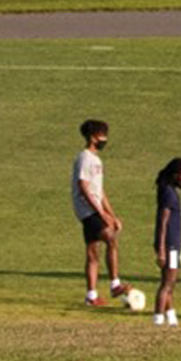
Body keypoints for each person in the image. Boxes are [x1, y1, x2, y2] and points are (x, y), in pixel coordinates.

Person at [70, 119, 123, 308]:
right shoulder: (85, 158)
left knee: (93, 252)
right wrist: (102, 215)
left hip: (93, 209)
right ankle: (115, 284)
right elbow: (83, 187)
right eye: (102, 135)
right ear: (93, 137)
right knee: (110, 238)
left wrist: (112, 214)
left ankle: (91, 296)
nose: (105, 139)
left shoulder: (96, 160)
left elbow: (100, 191)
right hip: (87, 209)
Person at [150, 157, 181, 327]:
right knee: (168, 284)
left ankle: (171, 317)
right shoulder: (168, 193)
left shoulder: (170, 191)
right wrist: (161, 249)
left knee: (169, 283)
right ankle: (158, 319)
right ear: (175, 175)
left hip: (172, 245)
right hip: (170, 246)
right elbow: (162, 221)